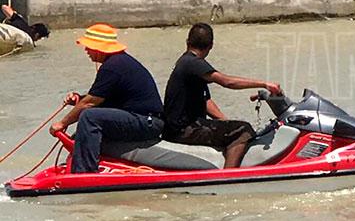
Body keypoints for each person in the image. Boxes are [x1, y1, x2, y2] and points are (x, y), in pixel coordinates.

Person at [162, 23, 282, 168]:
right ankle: (228, 177)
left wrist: (225, 122)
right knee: (243, 131)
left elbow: (205, 101)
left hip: (180, 128)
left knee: (234, 128)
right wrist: (264, 84)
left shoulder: (187, 63)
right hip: (183, 130)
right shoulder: (193, 63)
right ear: (211, 46)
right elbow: (227, 82)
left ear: (187, 42)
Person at [49, 24, 164, 173]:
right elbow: (97, 98)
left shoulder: (113, 66)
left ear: (98, 48)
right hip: (142, 119)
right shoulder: (117, 62)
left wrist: (62, 123)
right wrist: (79, 99)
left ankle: (85, 172)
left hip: (146, 122)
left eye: (88, 47)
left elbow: (89, 104)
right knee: (81, 134)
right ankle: (80, 165)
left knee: (89, 117)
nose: (86, 50)